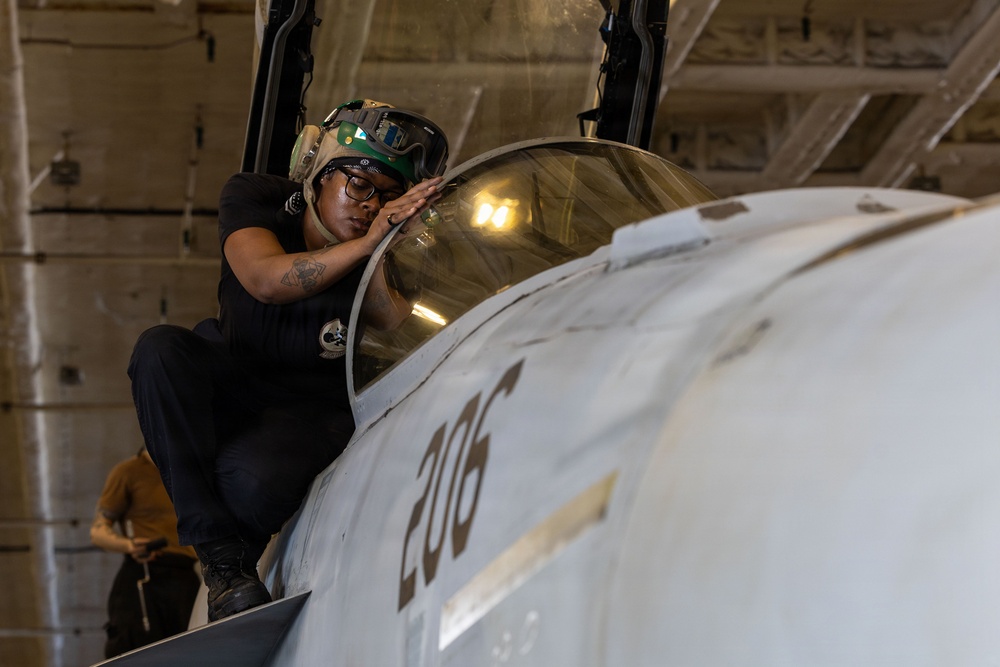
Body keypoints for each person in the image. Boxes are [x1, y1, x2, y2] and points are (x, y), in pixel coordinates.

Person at [127, 99, 449, 622]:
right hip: (230, 372)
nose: (370, 205)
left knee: (253, 486)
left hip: (308, 408)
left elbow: (395, 322)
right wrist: (363, 247)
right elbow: (265, 280)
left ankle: (234, 557)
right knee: (159, 350)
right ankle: (223, 562)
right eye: (360, 185)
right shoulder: (255, 197)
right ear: (317, 172)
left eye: (389, 197)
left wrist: (382, 251)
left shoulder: (394, 250)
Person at [90, 448, 199, 658]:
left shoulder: (187, 471)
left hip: (184, 576)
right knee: (136, 653)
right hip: (145, 573)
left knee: (186, 654)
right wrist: (128, 545)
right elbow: (98, 531)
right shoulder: (128, 472)